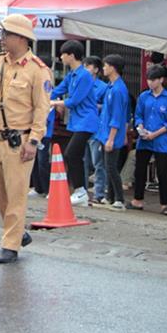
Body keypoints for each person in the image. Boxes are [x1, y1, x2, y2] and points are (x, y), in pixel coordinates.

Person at [0, 14, 52, 264]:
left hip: (20, 140)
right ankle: (18, 233)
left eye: (6, 34)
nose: (2, 39)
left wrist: (34, 141)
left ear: (20, 37)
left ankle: (11, 245)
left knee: (17, 194)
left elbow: (42, 109)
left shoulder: (38, 71)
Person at [50, 40, 97, 206]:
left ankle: (80, 191)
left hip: (87, 121)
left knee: (71, 154)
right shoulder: (71, 75)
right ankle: (80, 192)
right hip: (78, 122)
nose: (60, 57)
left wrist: (54, 104)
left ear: (71, 55)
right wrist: (43, 97)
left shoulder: (84, 76)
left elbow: (74, 100)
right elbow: (58, 90)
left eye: (63, 54)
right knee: (76, 155)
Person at [130, 65, 167, 215]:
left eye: (153, 80)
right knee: (140, 171)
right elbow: (138, 115)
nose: (150, 83)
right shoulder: (144, 97)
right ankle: (138, 199)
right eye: (149, 79)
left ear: (161, 80)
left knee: (162, 172)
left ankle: (165, 204)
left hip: (161, 141)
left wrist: (154, 134)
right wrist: (141, 127)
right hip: (144, 140)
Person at [95, 54, 129, 210]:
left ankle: (119, 199)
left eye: (106, 65)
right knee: (107, 165)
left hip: (112, 134)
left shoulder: (118, 90)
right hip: (105, 132)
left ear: (113, 68)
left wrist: (111, 138)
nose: (103, 68)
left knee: (111, 167)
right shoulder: (111, 86)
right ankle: (109, 197)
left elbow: (117, 117)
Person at [30, 55, 57, 196]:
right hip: (33, 127)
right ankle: (37, 187)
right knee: (33, 159)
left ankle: (47, 189)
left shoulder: (48, 84)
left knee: (42, 159)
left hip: (45, 130)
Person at [82, 55, 108, 204]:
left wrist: (97, 107)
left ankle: (99, 193)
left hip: (95, 128)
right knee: (83, 161)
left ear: (96, 70)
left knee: (97, 163)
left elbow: (107, 107)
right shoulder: (81, 83)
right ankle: (82, 191)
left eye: (88, 66)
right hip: (81, 126)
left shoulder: (103, 87)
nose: (85, 69)